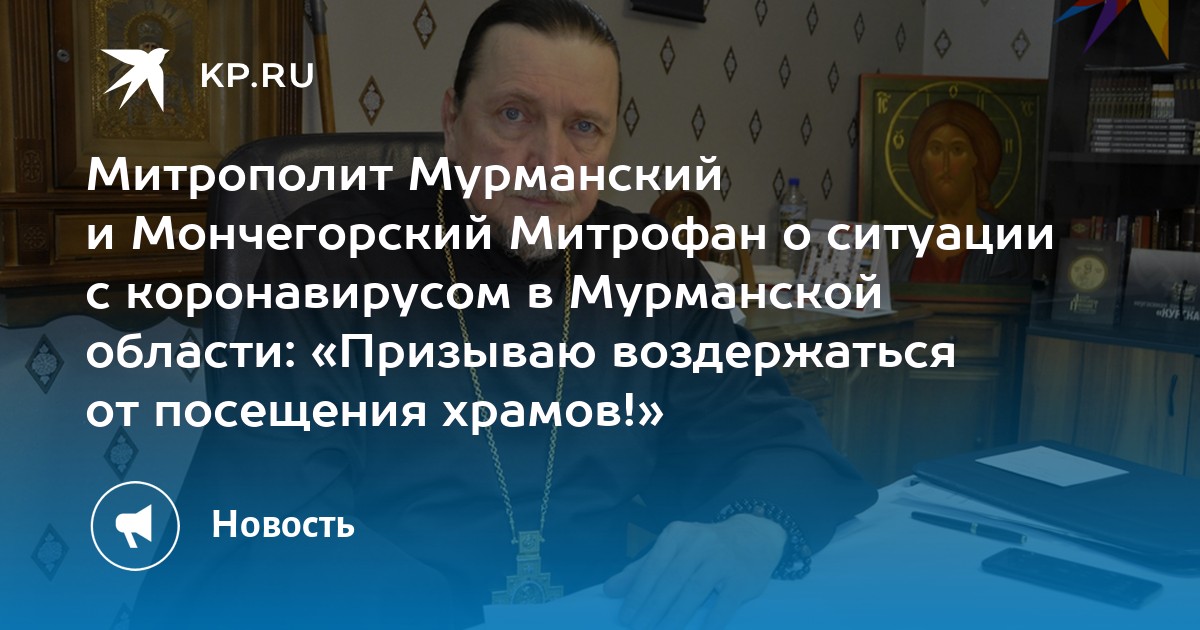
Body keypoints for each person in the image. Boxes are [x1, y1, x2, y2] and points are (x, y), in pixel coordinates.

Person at [135, 2, 875, 628]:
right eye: (514, 115)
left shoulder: (650, 267)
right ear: (452, 120)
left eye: (584, 128)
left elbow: (775, 436)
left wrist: (754, 529)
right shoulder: (327, 258)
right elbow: (274, 526)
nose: (549, 161)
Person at [890, 99, 1030, 284]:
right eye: (935, 149)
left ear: (976, 158)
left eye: (957, 150)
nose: (945, 163)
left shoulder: (1006, 246)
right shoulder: (908, 256)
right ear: (922, 160)